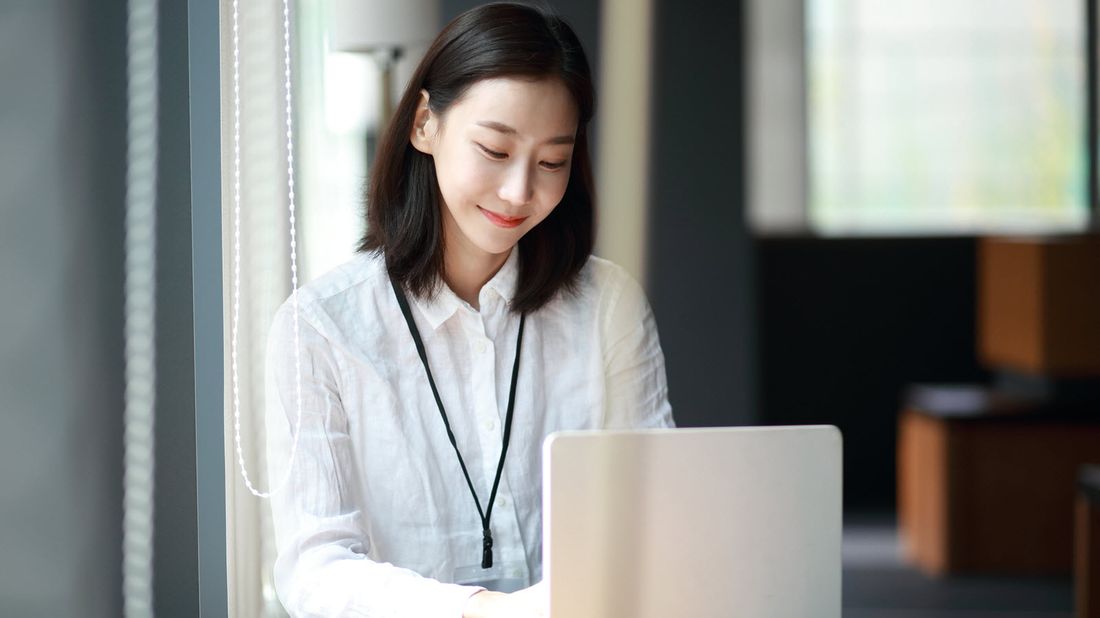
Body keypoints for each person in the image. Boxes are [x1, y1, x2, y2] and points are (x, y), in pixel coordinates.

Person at [265, 3, 674, 617]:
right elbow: (315, 571)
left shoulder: (607, 306)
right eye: (493, 148)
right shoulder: (320, 328)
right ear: (425, 123)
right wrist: (483, 610)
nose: (519, 191)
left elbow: (660, 516)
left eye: (551, 161)